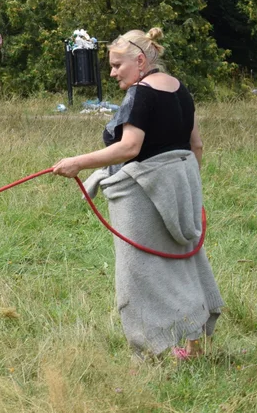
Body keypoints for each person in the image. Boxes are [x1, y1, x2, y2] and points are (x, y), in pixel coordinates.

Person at [51, 28, 222, 360]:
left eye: (117, 65)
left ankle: (149, 354)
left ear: (140, 60)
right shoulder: (180, 88)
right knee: (183, 265)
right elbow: (195, 145)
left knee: (139, 275)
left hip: (142, 196)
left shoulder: (141, 93)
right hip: (179, 192)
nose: (113, 73)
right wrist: (186, 190)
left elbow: (130, 147)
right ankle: (193, 345)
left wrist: (78, 163)